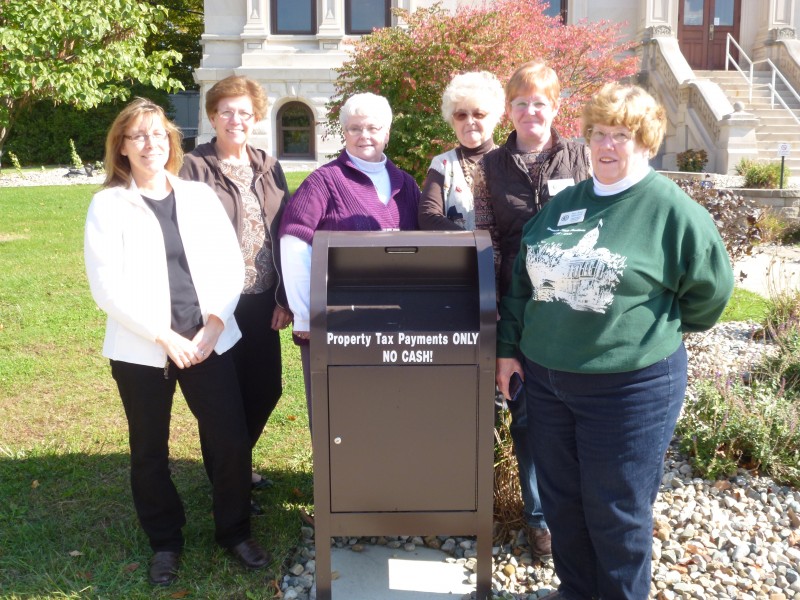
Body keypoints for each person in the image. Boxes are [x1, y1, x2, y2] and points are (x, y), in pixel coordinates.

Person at [495, 83, 734, 600]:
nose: (607, 146)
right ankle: (576, 591)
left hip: (628, 389)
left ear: (644, 140)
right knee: (562, 503)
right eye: (599, 134)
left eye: (621, 136)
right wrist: (508, 348)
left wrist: (645, 333)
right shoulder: (566, 205)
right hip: (547, 381)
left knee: (616, 508)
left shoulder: (671, 211)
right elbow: (522, 282)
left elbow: (710, 294)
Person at [84, 98, 271, 587]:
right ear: (121, 148)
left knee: (229, 440)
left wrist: (213, 325)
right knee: (149, 450)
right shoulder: (108, 204)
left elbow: (230, 265)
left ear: (171, 141)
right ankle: (165, 542)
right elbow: (107, 286)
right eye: (138, 136)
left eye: (158, 134)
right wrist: (164, 336)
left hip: (209, 340)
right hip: (144, 348)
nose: (151, 143)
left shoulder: (197, 195)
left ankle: (234, 531)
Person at [473, 61, 592, 558]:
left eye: (539, 102)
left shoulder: (581, 157)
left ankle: (588, 515)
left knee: (586, 416)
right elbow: (488, 238)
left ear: (555, 107)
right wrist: (497, 311)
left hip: (577, 309)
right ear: (510, 111)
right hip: (518, 309)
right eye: (520, 103)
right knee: (526, 418)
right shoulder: (490, 168)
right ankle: (541, 520)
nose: (530, 112)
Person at [180, 75, 292, 511]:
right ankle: (229, 477)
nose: (235, 119)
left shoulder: (267, 164)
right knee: (223, 397)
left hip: (263, 298)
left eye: (244, 112)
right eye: (226, 111)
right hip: (216, 304)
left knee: (265, 389)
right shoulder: (194, 167)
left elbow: (282, 230)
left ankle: (234, 463)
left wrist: (284, 296)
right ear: (212, 116)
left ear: (256, 117)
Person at [279, 92, 420, 423]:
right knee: (340, 413)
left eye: (373, 127)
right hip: (338, 320)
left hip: (397, 318)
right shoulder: (324, 182)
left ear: (387, 133)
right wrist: (305, 314)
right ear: (344, 133)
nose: (364, 136)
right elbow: (294, 243)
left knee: (389, 405)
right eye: (355, 128)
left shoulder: (406, 184)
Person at [418, 71, 504, 231]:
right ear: (452, 121)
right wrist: (472, 243)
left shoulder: (510, 161)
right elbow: (428, 216)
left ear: (494, 118)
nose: (470, 121)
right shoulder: (442, 165)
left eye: (479, 114)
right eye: (461, 115)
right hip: (459, 254)